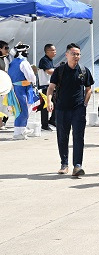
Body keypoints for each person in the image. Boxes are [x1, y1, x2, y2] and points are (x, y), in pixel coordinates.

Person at [47, 43, 94, 176]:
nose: (76, 56)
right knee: (62, 136)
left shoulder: (84, 71)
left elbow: (88, 89)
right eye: (73, 54)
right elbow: (51, 88)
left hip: (78, 109)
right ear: (67, 54)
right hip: (61, 109)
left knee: (78, 137)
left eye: (78, 54)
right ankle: (64, 164)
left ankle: (77, 166)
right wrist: (49, 101)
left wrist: (84, 104)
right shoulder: (60, 70)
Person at [8, 44, 38, 140]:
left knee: (18, 109)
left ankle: (20, 130)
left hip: (15, 88)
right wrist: (33, 84)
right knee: (23, 109)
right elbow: (31, 77)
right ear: (23, 52)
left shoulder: (12, 62)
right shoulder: (24, 63)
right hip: (22, 88)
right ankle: (19, 132)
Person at [38, 44, 56, 131]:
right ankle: (44, 125)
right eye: (53, 50)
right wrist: (59, 71)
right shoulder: (44, 60)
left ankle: (52, 120)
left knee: (56, 103)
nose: (55, 52)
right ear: (47, 51)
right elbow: (49, 71)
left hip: (51, 86)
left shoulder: (50, 60)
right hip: (45, 86)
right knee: (45, 106)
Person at [0, 40, 11, 130]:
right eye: (5, 48)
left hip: (2, 84)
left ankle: (1, 123)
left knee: (2, 105)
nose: (7, 50)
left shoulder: (4, 59)